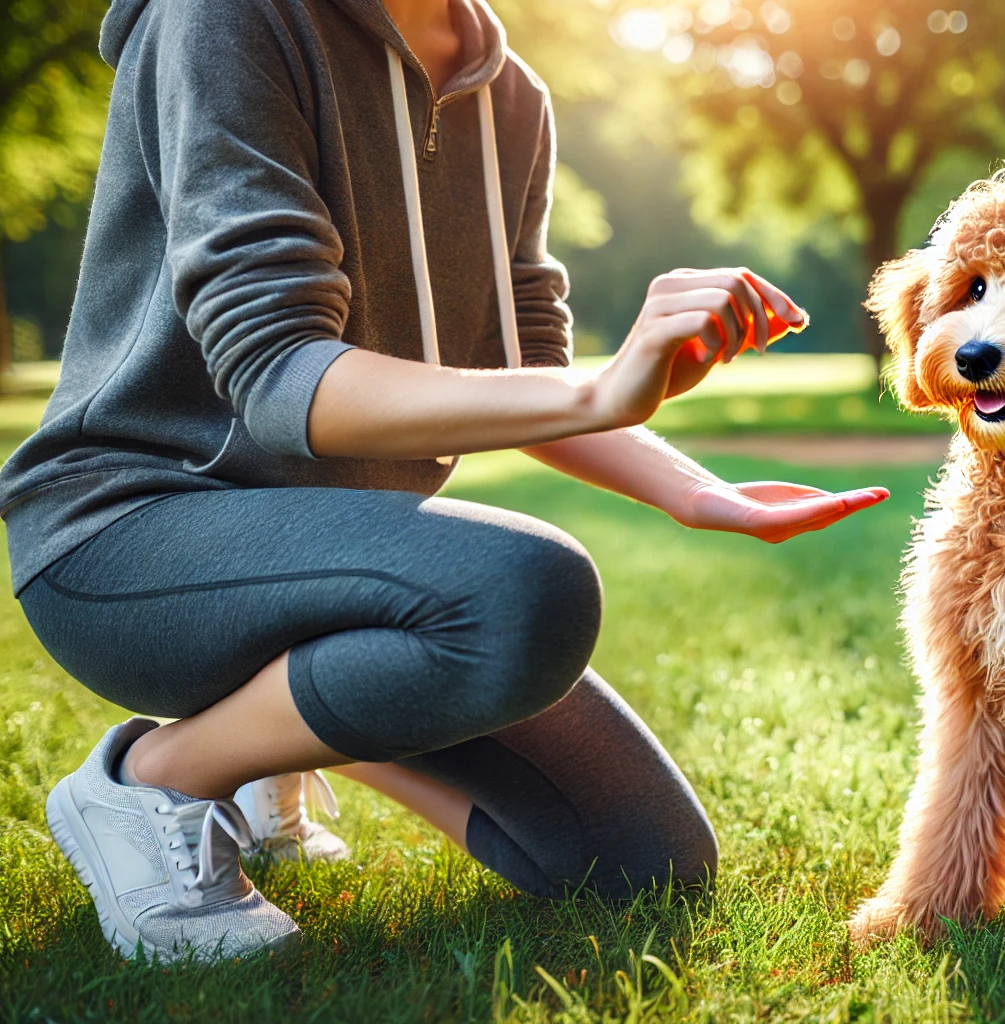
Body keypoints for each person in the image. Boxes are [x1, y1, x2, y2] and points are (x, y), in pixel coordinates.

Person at [3, 0, 887, 961]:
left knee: (638, 862)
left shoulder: (509, 94)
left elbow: (520, 369)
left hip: (336, 563)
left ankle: (269, 742)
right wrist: (600, 388)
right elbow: (278, 377)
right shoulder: (225, 19)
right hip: (127, 533)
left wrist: (694, 489)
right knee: (524, 591)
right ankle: (155, 779)